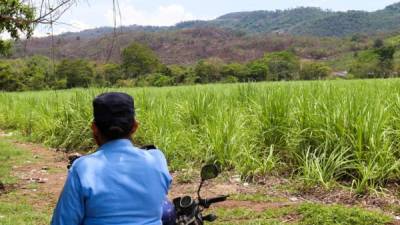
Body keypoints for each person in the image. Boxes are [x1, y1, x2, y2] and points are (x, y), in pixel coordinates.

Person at [51, 92, 172, 225]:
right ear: (135, 127)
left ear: (94, 128)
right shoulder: (156, 159)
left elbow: (62, 222)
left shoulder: (83, 168)